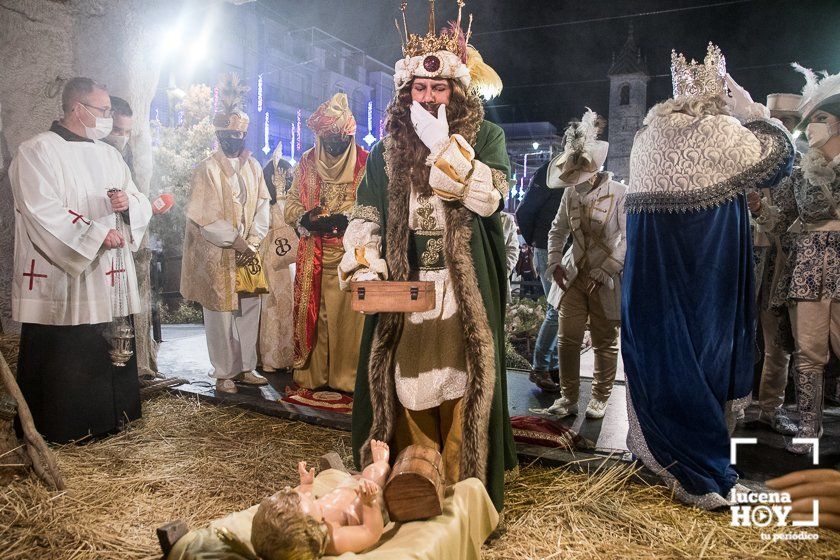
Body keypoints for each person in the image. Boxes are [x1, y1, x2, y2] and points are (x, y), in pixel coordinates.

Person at [339, 1, 517, 512]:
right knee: (407, 384)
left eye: (439, 88)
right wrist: (365, 257)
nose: (429, 96)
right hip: (409, 287)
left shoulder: (486, 137)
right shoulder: (388, 148)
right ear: (406, 92)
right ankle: (415, 486)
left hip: (463, 288)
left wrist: (445, 148)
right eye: (419, 88)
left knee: (464, 384)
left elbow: (490, 197)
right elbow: (367, 213)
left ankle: (465, 496)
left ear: (456, 91)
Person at [621, 44, 794, 508]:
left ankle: (654, 454)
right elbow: (778, 159)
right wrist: (755, 111)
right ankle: (696, 471)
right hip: (702, 276)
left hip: (647, 282)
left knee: (660, 358)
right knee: (700, 360)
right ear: (719, 98)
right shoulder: (719, 129)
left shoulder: (645, 133)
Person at [9, 77, 152, 443]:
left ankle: (112, 419)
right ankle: (64, 428)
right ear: (78, 109)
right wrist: (93, 234)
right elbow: (41, 209)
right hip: (67, 273)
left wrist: (129, 204)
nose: (107, 118)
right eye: (103, 111)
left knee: (109, 344)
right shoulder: (37, 150)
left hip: (109, 271)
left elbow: (138, 198)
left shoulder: (109, 155)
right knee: (67, 351)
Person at [756, 65, 840, 454]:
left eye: (820, 119)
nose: (813, 127)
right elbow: (781, 218)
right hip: (806, 264)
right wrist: (760, 208)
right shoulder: (801, 170)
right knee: (808, 352)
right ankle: (809, 429)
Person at [180, 74, 271, 394]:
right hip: (218, 252)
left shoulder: (254, 166)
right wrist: (236, 241)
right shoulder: (206, 168)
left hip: (249, 250)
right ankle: (223, 372)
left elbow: (263, 203)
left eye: (239, 134)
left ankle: (247, 367)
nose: (234, 138)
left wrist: (256, 241)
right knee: (219, 314)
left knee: (249, 309)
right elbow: (204, 217)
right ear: (219, 135)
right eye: (228, 134)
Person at [544, 109, 626, 420]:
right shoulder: (570, 195)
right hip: (573, 275)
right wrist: (554, 262)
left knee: (605, 340)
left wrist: (607, 269)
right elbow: (558, 229)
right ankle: (568, 397)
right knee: (567, 339)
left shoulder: (620, 194)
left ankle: (601, 396)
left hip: (604, 277)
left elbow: (628, 239)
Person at [285, 93, 368, 392]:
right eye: (328, 141)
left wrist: (350, 220)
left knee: (349, 322)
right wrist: (306, 218)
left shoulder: (366, 164)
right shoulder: (307, 162)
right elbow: (291, 202)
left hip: (352, 257)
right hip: (314, 255)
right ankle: (314, 376)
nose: (334, 148)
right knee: (316, 319)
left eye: (340, 141)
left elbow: (376, 208)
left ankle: (347, 379)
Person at [744, 93, 802, 435]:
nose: (785, 128)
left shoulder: (799, 167)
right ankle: (732, 401)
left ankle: (771, 408)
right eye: (780, 122)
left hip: (779, 264)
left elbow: (791, 221)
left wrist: (761, 210)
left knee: (777, 340)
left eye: (790, 122)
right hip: (742, 262)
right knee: (735, 334)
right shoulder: (745, 165)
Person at [250, 440, 390, 558]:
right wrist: (370, 503)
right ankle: (381, 461)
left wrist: (306, 486)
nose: (293, 491)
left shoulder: (309, 516)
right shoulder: (335, 539)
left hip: (346, 490)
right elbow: (370, 532)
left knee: (353, 479)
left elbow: (307, 501)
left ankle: (348, 475)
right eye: (300, 498)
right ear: (311, 528)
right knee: (372, 474)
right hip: (367, 499)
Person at [516, 161, 563, 392]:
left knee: (561, 309)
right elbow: (524, 211)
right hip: (548, 246)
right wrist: (534, 243)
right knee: (557, 307)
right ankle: (541, 368)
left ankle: (552, 368)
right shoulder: (550, 171)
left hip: (562, 247)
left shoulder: (566, 171)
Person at [258, 147, 298, 373]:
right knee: (274, 305)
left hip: (284, 257)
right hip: (274, 258)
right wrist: (281, 195)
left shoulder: (278, 203)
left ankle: (287, 355)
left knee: (286, 305)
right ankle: (272, 357)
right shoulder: (270, 203)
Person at [103, 95, 133, 163]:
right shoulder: (89, 149)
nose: (123, 137)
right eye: (116, 130)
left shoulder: (127, 152)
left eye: (128, 132)